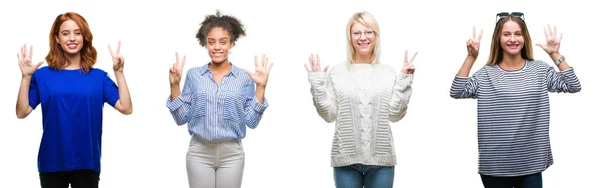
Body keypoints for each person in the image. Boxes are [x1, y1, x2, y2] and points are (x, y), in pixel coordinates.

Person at [450, 12, 582, 188]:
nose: (513, 39)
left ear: (524, 37)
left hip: (531, 164)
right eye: (507, 34)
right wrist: (471, 57)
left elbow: (573, 85)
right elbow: (457, 91)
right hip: (495, 167)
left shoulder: (540, 71)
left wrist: (555, 54)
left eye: (518, 34)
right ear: (498, 38)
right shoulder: (486, 75)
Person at [15, 12, 133, 188]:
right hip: (51, 162)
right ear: (57, 38)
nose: (72, 38)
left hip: (87, 161)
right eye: (65, 33)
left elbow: (126, 107)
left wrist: (119, 72)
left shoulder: (98, 77)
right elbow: (21, 112)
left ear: (84, 37)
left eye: (77, 33)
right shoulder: (42, 75)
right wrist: (25, 78)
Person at [305, 11, 417, 188]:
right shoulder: (337, 72)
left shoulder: (388, 72)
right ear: (350, 37)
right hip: (345, 160)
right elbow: (329, 115)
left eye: (368, 32)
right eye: (356, 32)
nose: (362, 37)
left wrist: (405, 80)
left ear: (376, 36)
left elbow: (395, 115)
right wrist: (317, 84)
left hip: (381, 161)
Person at [166, 10, 272, 188]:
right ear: (205, 44)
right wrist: (174, 85)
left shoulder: (244, 78)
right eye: (211, 42)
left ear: (231, 44)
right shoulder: (194, 75)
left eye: (223, 42)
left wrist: (261, 87)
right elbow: (180, 118)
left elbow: (251, 121)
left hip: (232, 154)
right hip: (199, 152)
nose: (217, 47)